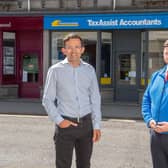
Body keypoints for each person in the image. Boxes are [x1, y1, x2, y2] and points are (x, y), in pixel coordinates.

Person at [42, 33, 101, 168]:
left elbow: (95, 99)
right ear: (64, 50)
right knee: (63, 165)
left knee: (84, 164)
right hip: (65, 126)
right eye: (69, 47)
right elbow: (47, 99)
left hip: (86, 125)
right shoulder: (55, 70)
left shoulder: (89, 70)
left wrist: (96, 125)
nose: (73, 51)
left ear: (82, 49)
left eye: (77, 47)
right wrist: (59, 121)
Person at [142, 40, 168, 168]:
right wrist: (149, 119)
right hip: (156, 136)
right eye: (167, 53)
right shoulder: (156, 76)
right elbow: (146, 100)